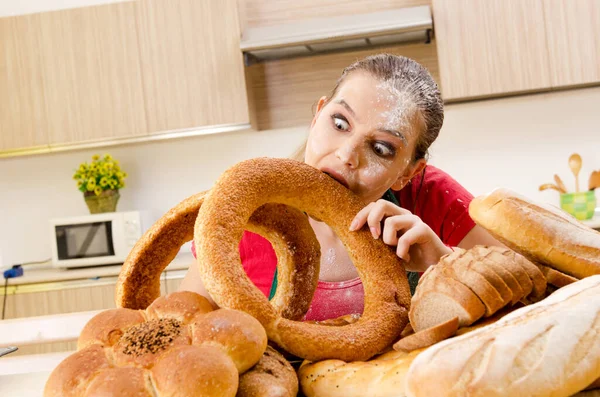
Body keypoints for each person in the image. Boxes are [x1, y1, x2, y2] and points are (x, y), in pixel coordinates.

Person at [179, 54, 502, 321]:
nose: (347, 155)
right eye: (339, 123)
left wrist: (444, 264)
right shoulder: (248, 219)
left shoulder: (430, 197)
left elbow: (535, 300)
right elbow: (180, 333)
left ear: (408, 172)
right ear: (317, 115)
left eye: (381, 148)